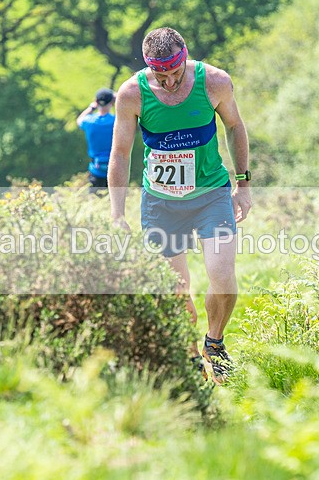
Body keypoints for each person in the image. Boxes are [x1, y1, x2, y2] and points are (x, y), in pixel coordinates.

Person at [107, 27, 252, 384]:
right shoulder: (131, 94)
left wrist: (243, 183)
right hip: (161, 202)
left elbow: (234, 127)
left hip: (211, 194)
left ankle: (214, 344)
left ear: (184, 55)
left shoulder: (215, 82)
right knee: (173, 289)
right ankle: (189, 358)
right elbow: (121, 152)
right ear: (150, 68)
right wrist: (116, 213)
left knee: (222, 275)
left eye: (174, 72)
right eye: (161, 75)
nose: (169, 82)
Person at [77, 88, 116, 194]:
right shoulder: (116, 121)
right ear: (112, 102)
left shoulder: (89, 121)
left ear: (96, 101)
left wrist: (91, 107)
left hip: (95, 169)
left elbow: (79, 120)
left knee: (94, 199)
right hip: (115, 168)